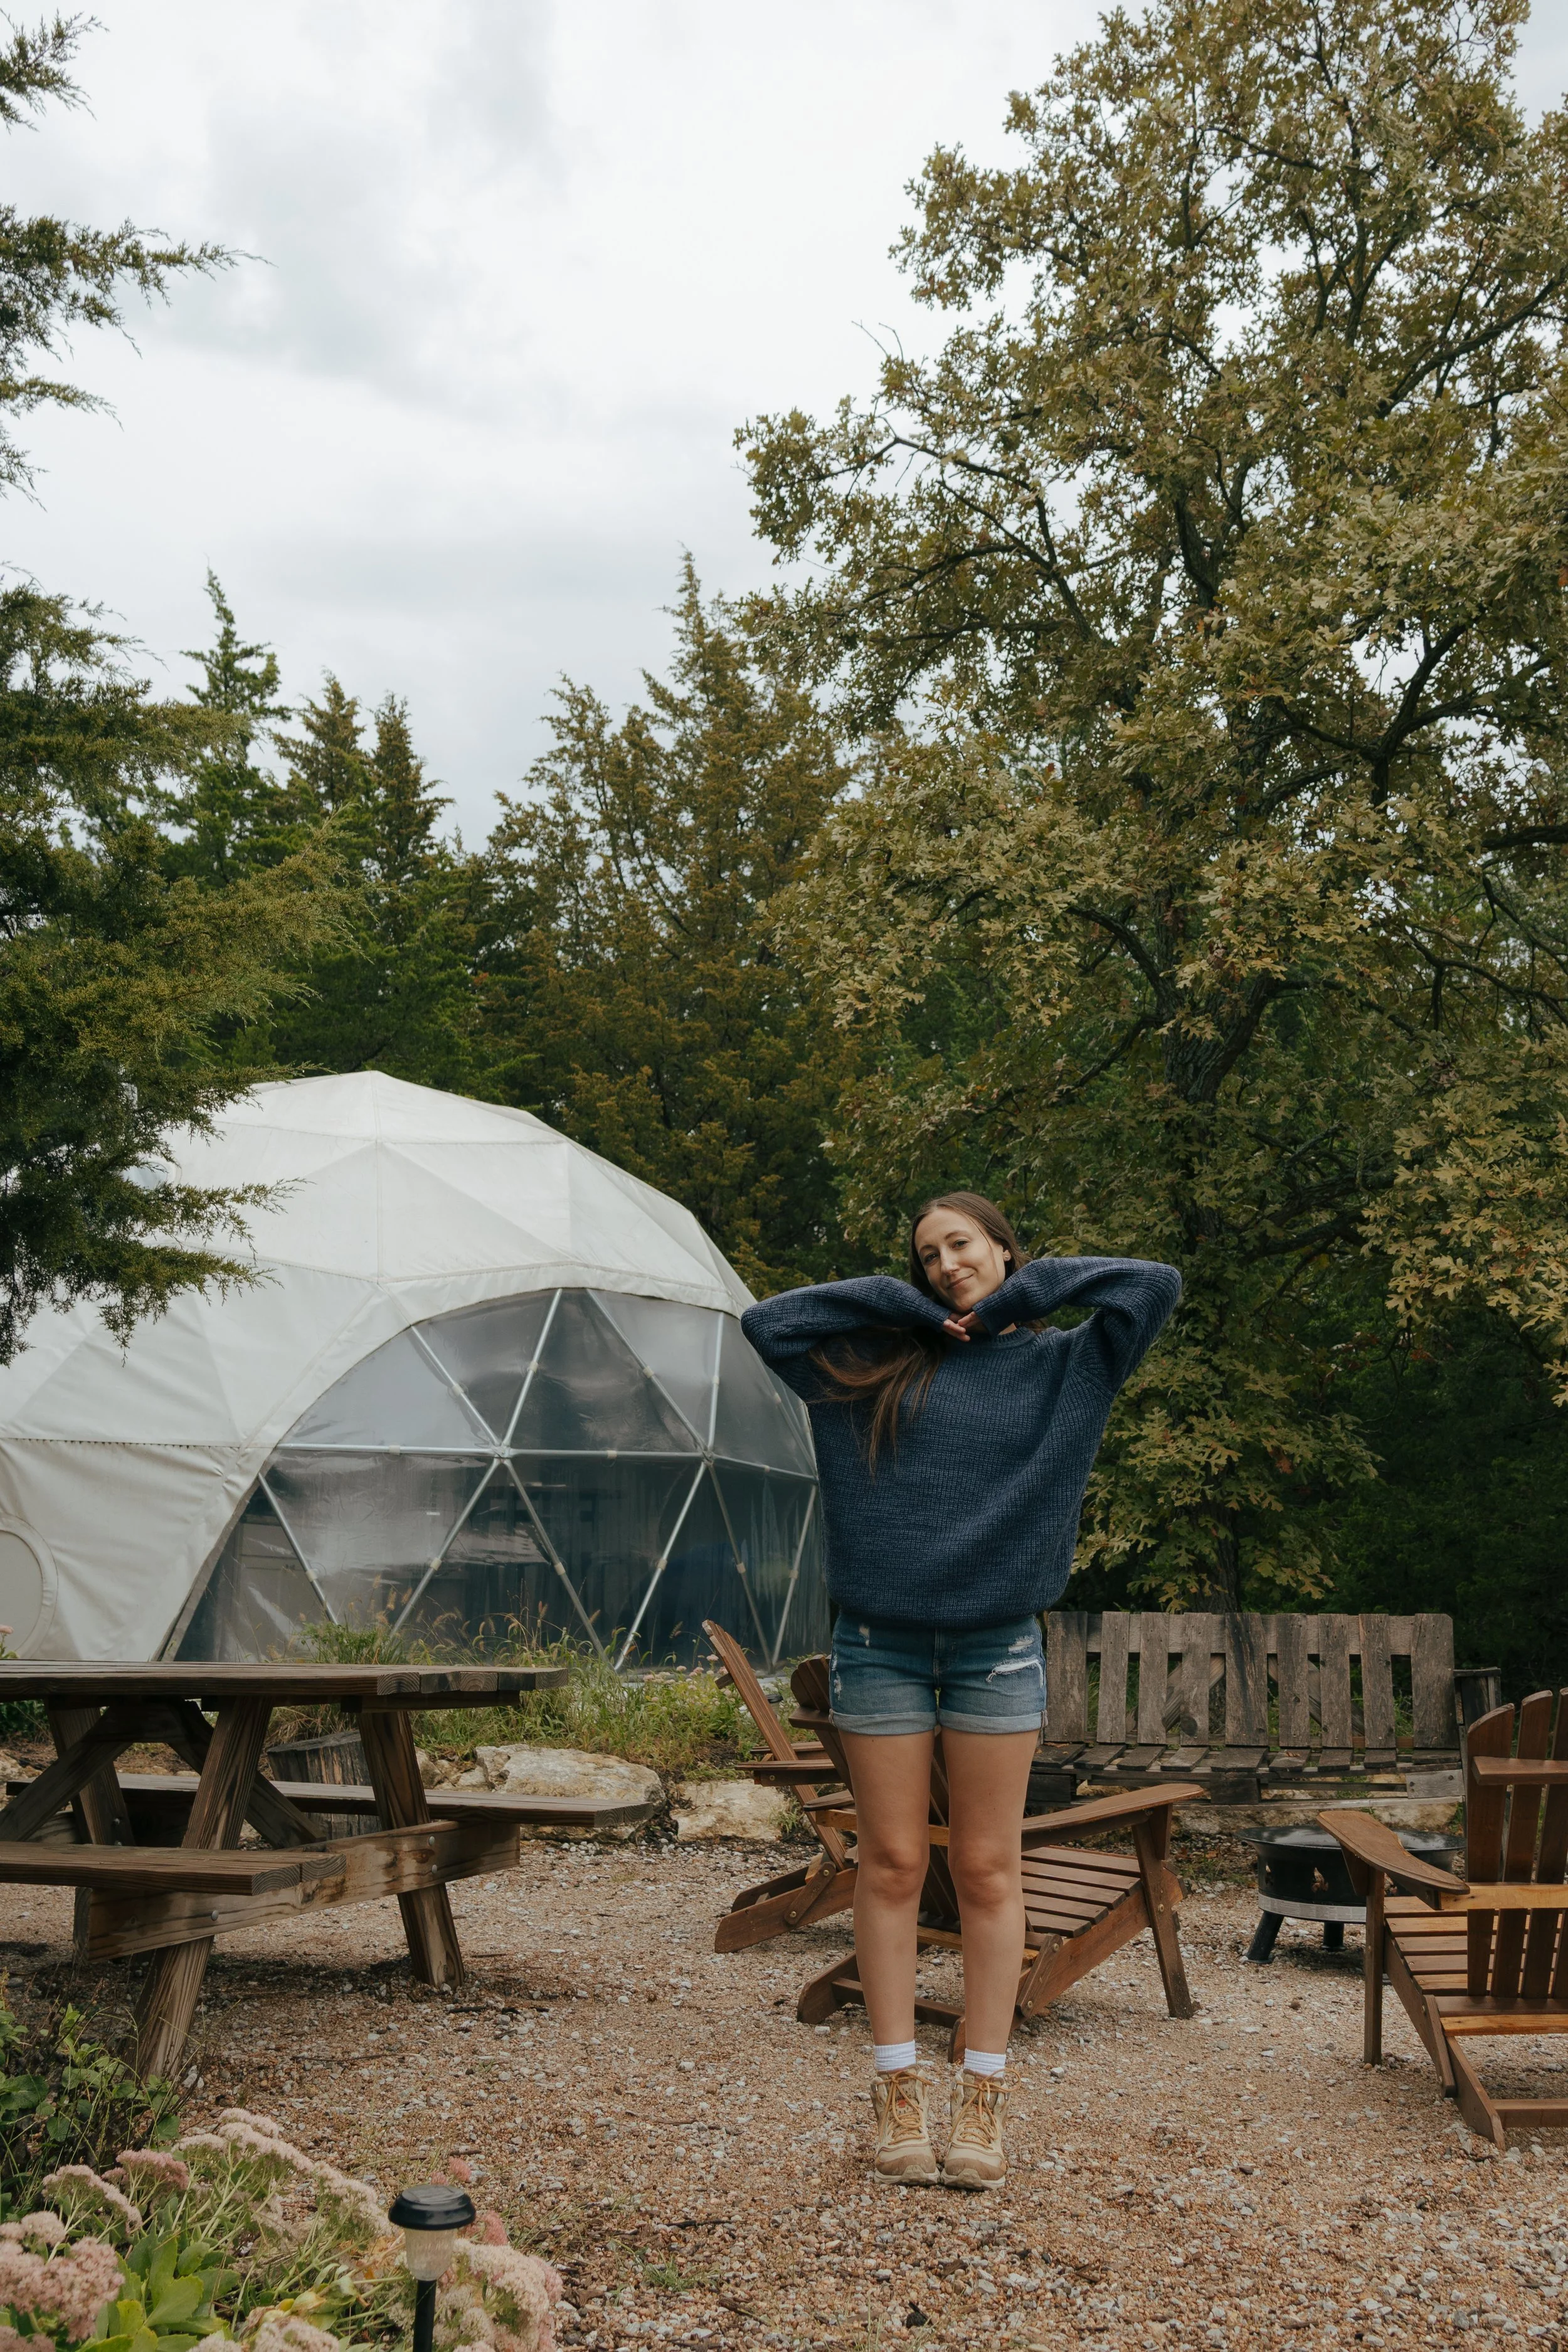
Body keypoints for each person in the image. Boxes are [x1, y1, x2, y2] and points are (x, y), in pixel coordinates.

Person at [740, 1194, 1180, 2190]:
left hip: (996, 1648)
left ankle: (983, 2093)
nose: (944, 1264)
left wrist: (1025, 1294)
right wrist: (905, 1310)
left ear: (1003, 1247)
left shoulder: (1070, 1367)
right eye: (926, 1254)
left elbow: (1153, 1284)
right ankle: (897, 2086)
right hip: (878, 1646)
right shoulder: (868, 1371)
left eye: (961, 1246)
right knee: (891, 1862)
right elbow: (769, 1321)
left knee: (987, 1869)